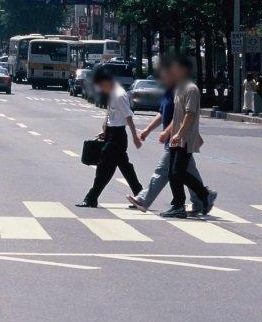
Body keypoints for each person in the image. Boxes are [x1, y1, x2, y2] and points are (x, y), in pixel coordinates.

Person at [126, 57, 204, 214]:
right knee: (183, 173)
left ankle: (146, 200)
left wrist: (171, 132)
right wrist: (148, 130)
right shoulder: (171, 92)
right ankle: (202, 199)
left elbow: (184, 115)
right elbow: (164, 114)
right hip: (175, 138)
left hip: (180, 138)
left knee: (168, 172)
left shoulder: (186, 89)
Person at [76, 68, 143, 208]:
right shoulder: (111, 93)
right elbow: (111, 115)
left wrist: (135, 136)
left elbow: (128, 116)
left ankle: (91, 198)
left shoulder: (119, 95)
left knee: (103, 167)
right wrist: (105, 129)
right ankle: (141, 196)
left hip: (117, 137)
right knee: (125, 167)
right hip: (112, 134)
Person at [160, 56, 217, 219]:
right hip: (176, 137)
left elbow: (189, 114)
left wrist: (179, 133)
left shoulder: (191, 89)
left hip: (184, 138)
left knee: (177, 172)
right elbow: (177, 116)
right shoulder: (179, 88)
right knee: (173, 173)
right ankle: (199, 196)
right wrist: (168, 132)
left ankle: (185, 202)